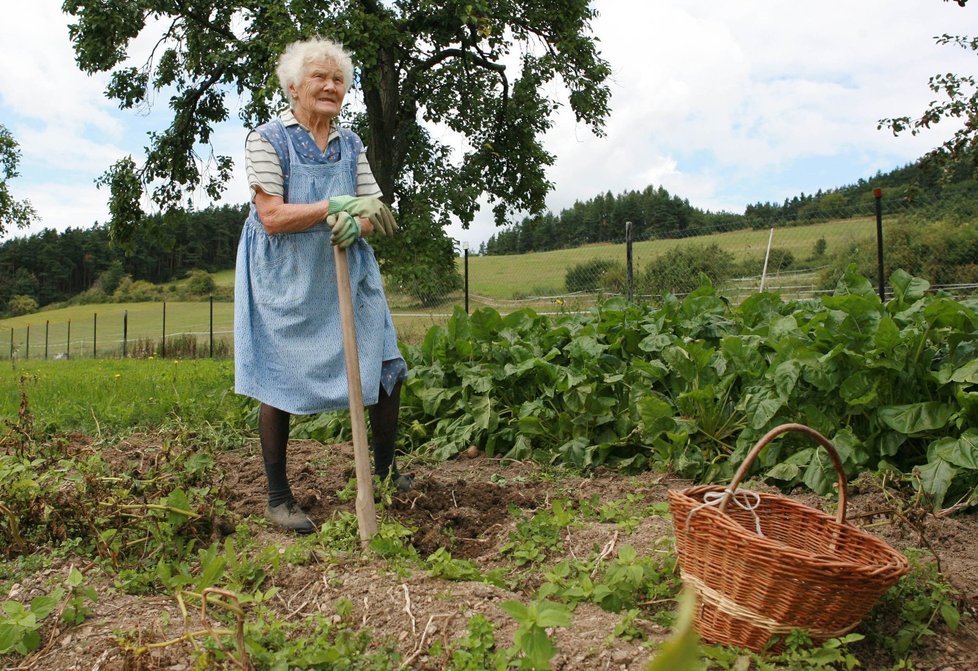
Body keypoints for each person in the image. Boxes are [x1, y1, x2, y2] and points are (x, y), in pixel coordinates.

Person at [234, 37, 410, 534]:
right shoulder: (267, 139)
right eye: (320, 77)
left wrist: (360, 223)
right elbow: (270, 216)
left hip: (346, 268)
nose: (331, 86)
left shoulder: (349, 143)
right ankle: (277, 497)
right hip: (287, 274)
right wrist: (336, 206)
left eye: (339, 79)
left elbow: (372, 209)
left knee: (387, 367)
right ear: (293, 86)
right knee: (279, 379)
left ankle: (387, 473)